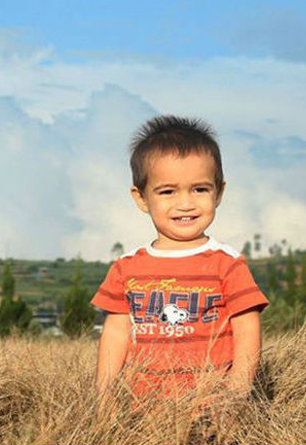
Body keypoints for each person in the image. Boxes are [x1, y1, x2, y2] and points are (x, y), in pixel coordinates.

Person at [91, 115, 269, 402]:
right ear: (141, 198)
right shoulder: (126, 267)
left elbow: (247, 329)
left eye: (200, 189)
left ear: (219, 192)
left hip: (211, 407)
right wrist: (104, 398)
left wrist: (236, 397)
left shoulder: (227, 263)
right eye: (168, 191)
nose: (185, 203)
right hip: (142, 412)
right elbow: (115, 334)